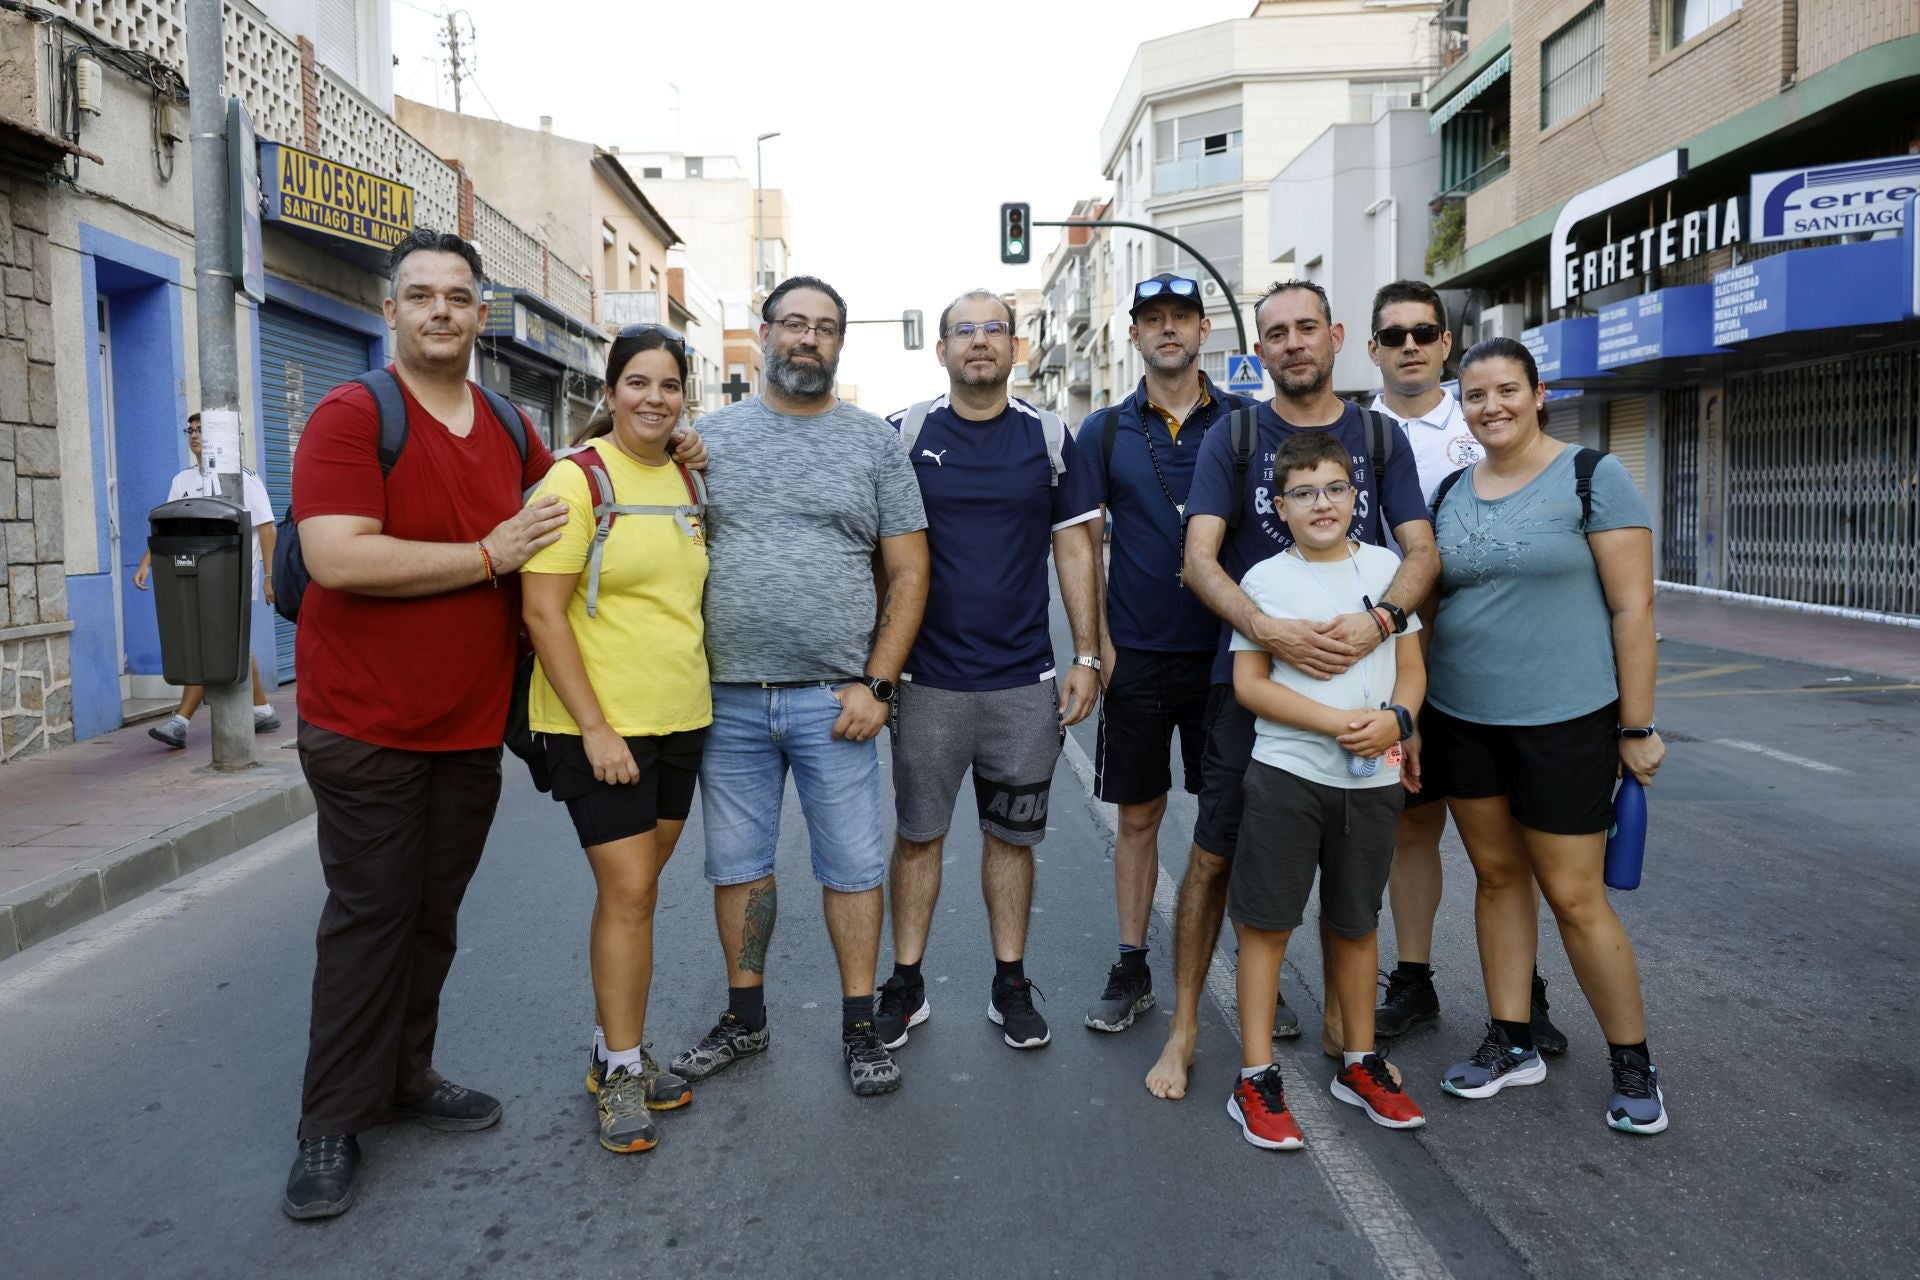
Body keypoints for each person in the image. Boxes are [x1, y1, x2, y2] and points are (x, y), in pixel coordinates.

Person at [280, 227, 701, 1219]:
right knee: (370, 915)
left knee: (432, 914)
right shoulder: (352, 416)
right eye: (419, 294)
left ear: (480, 313)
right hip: (364, 721)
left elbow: (581, 496)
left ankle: (406, 1077)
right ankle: (330, 1120)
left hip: (467, 726)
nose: (438, 310)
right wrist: (485, 553)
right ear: (392, 311)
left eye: (456, 296)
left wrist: (669, 442)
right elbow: (337, 557)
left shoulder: (511, 429)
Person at [1147, 279, 1437, 1104]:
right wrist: (1265, 630)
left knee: (1350, 870)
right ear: (1259, 348)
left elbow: (1419, 553)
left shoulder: (1379, 441)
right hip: (1250, 691)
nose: (1293, 343)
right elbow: (1200, 558)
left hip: (1368, 689)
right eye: (1276, 332)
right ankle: (1187, 1027)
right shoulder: (1234, 437)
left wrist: (1385, 634)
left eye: (1307, 327)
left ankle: (1353, 1039)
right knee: (1212, 857)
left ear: (1337, 336)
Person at [670, 275, 930, 1098]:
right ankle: (745, 1019)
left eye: (824, 328)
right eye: (793, 324)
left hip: (836, 701)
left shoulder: (873, 444)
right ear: (764, 334)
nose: (807, 339)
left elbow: (910, 569)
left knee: (852, 866)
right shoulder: (707, 440)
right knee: (738, 865)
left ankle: (861, 1025)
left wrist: (877, 687)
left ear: (841, 344)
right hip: (730, 699)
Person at [1424, 337, 1668, 1134]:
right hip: (1464, 718)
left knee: (1573, 894)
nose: (1491, 405)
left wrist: (1637, 725)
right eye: (1477, 394)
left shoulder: (1594, 476)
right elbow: (1431, 613)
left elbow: (1635, 610)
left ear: (1536, 394)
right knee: (1496, 879)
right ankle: (1511, 1039)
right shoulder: (1452, 492)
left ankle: (1633, 1063)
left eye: (1506, 390)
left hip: (1567, 719)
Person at [873, 290, 1101, 1053]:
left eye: (993, 330)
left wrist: (1088, 656)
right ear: (940, 350)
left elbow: (1075, 549)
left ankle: (1010, 983)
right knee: (919, 836)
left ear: (1016, 348)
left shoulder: (1048, 436)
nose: (979, 342)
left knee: (1012, 841)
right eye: (963, 331)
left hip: (1021, 683)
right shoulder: (903, 433)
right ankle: (905, 984)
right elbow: (870, 552)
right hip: (926, 683)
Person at [1361, 281, 1567, 1056]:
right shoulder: (1353, 431)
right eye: (1394, 334)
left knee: (1506, 844)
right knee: (1410, 830)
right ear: (1372, 347)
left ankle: (1526, 993)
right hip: (1389, 663)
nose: (1410, 344)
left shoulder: (1482, 417)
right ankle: (1413, 979)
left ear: (1446, 342)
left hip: (1485, 662)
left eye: (1424, 331)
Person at [521, 325, 708, 1155]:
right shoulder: (573, 479)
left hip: (682, 718)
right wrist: (595, 727)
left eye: (669, 385)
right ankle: (623, 1069)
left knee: (636, 892)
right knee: (631, 892)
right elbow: (539, 610)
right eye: (638, 382)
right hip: (599, 726)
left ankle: (611, 1048)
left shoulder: (688, 478)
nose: (654, 399)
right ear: (610, 389)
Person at [1226, 431, 1427, 1148]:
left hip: (1370, 779)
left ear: (1356, 497)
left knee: (1356, 922)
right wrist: (1343, 721)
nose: (1322, 503)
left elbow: (1411, 666)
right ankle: (1255, 1076)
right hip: (1289, 775)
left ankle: (1359, 1061)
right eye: (1304, 493)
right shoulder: (1264, 580)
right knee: (1268, 924)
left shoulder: (1385, 566)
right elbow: (1251, 685)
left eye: (1335, 489)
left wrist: (1398, 722)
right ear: (1280, 506)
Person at [1070, 274, 1258, 1035]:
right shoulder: (1105, 432)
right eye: (1154, 319)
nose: (1168, 329)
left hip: (1230, 656)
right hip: (1139, 656)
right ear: (1134, 335)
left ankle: (1257, 968)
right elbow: (1080, 540)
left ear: (1204, 329)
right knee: (1139, 818)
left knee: (1234, 820)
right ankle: (1132, 964)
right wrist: (1095, 648)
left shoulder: (1246, 423)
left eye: (1182, 317)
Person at [132, 412, 282, 745]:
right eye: (191, 430)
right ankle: (262, 711)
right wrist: (148, 563)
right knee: (229, 643)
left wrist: (270, 576)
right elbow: (168, 528)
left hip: (234, 575)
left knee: (209, 642)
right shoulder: (182, 480)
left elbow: (267, 528)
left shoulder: (242, 478)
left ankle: (180, 721)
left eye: (202, 431)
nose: (195, 436)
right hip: (192, 573)